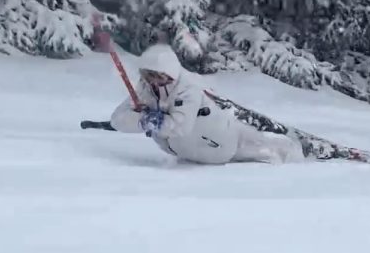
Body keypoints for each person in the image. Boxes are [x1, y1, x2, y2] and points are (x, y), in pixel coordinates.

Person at [110, 43, 303, 165]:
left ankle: (296, 153)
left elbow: (180, 126)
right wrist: (143, 120)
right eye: (149, 76)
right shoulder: (145, 89)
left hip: (218, 142)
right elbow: (117, 119)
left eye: (159, 77)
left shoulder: (187, 88)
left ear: (169, 73)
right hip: (189, 152)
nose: (153, 82)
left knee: (262, 147)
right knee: (254, 147)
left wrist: (157, 122)